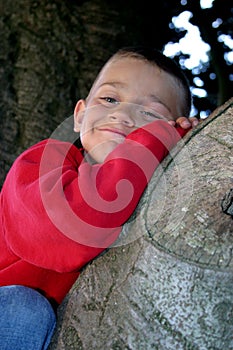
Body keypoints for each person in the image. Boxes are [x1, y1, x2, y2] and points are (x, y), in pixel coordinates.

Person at [0, 46, 198, 349]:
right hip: (9, 310)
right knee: (24, 308)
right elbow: (70, 229)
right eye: (109, 99)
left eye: (150, 113)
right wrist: (155, 138)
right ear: (80, 115)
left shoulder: (153, 202)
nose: (122, 114)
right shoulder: (42, 163)